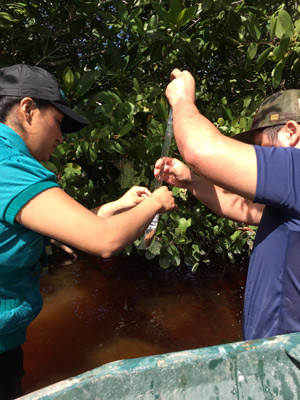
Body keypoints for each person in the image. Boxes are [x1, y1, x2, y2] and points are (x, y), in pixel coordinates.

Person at [0, 64, 176, 399]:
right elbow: (104, 241)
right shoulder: (9, 167)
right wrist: (154, 204)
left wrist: (116, 206)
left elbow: (62, 226)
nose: (61, 137)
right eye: (58, 122)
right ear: (28, 110)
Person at [154, 68, 300, 344]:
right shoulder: (291, 197)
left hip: (280, 362)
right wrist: (193, 183)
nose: (260, 157)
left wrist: (183, 100)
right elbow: (247, 209)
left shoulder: (296, 167)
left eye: (261, 147)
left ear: (290, 132)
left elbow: (199, 150)